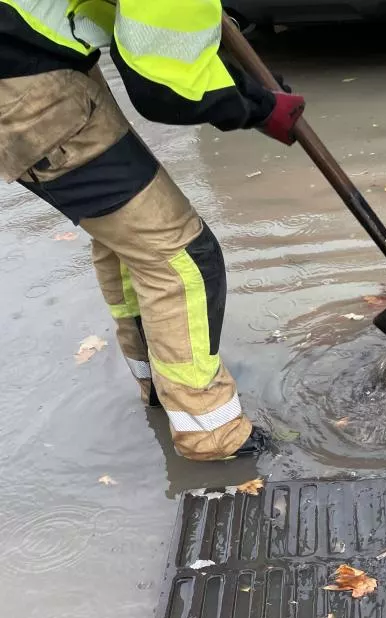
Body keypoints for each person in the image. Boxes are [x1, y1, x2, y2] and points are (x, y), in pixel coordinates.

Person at [0, 1, 305, 461]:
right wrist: (258, 107)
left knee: (125, 239)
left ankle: (162, 388)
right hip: (22, 82)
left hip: (31, 56)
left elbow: (169, 42)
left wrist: (251, 89)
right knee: (182, 257)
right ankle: (211, 433)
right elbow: (164, 87)